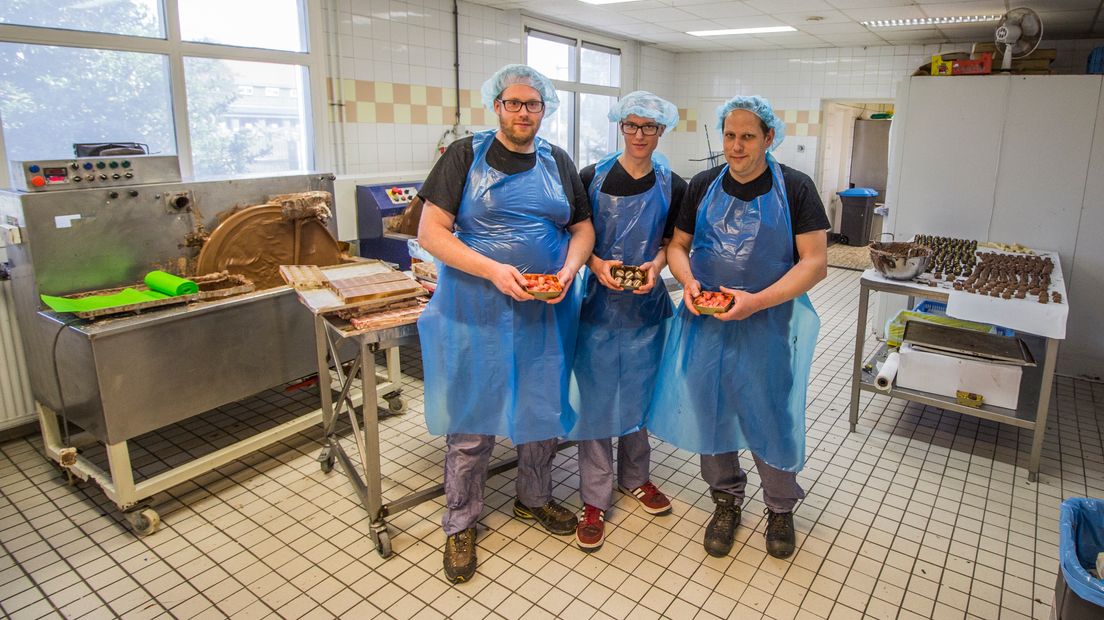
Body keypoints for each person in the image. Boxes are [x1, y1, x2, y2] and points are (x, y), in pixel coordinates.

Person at [416, 64, 595, 584]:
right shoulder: (463, 156)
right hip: (476, 311)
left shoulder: (557, 160)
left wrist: (566, 270)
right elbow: (432, 232)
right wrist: (493, 270)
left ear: (545, 109)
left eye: (533, 104)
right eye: (514, 103)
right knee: (473, 419)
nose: (523, 112)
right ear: (496, 105)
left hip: (545, 309)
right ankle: (460, 521)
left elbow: (582, 229)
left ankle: (533, 498)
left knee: (540, 408)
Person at [649, 95, 828, 560]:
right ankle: (725, 499)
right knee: (711, 408)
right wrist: (688, 283)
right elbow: (678, 246)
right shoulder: (704, 185)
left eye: (748, 136)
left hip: (767, 322)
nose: (736, 146)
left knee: (769, 410)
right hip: (705, 323)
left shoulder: (796, 188)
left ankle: (780, 506)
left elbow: (815, 263)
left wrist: (757, 302)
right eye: (730, 135)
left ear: (770, 138)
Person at [568, 91, 686, 551]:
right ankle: (594, 499)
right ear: (621, 127)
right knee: (596, 401)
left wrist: (656, 266)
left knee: (641, 393)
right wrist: (596, 265)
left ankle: (636, 477)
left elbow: (675, 242)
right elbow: (576, 237)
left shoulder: (674, 183)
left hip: (647, 307)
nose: (639, 135)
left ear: (661, 131)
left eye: (649, 127)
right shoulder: (590, 177)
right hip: (597, 305)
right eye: (632, 126)